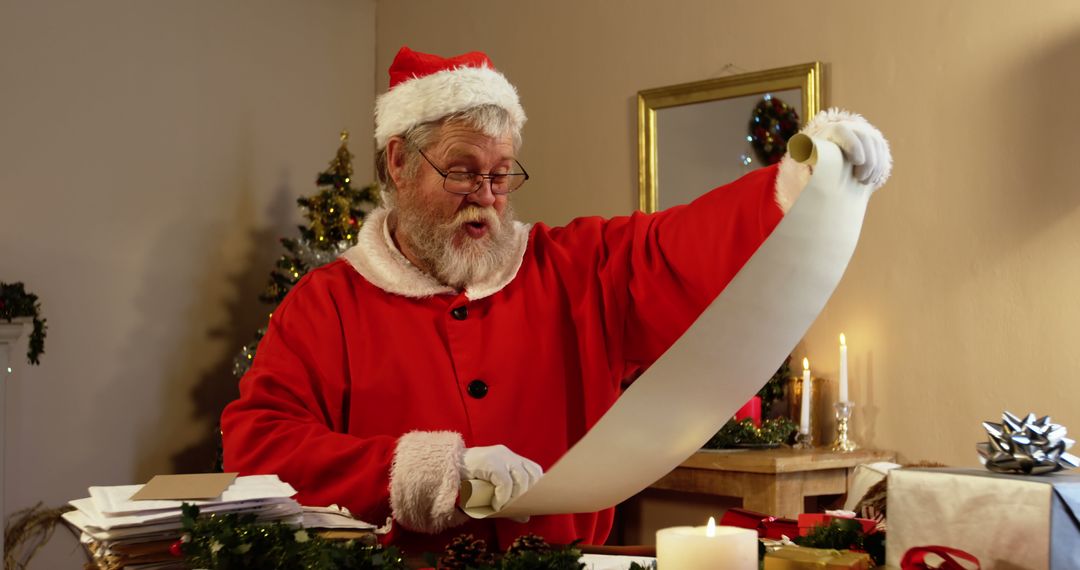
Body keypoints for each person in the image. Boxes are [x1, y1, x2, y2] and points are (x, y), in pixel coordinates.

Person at [220, 46, 891, 554]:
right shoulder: (327, 302)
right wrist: (427, 470)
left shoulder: (578, 267)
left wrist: (803, 183)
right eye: (461, 171)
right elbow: (260, 446)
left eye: (501, 173)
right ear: (398, 163)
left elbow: (683, 249)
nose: (485, 195)